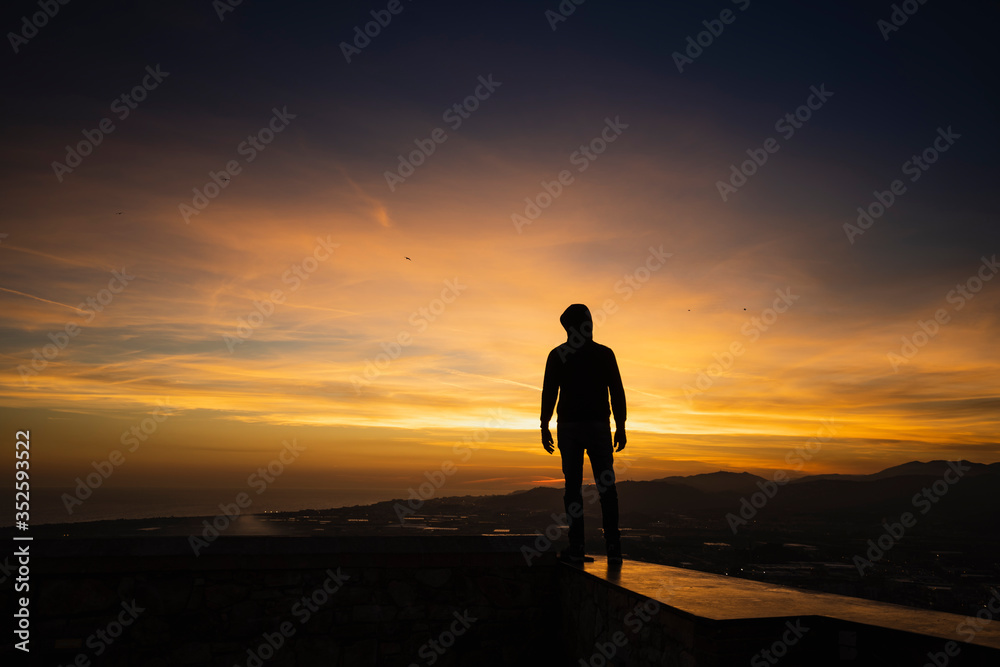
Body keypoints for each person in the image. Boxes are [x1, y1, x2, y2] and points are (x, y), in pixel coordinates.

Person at [540, 304, 626, 564]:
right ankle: (613, 547)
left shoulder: (558, 355)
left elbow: (549, 393)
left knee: (573, 488)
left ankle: (576, 546)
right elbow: (617, 392)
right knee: (606, 488)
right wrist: (620, 425)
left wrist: (544, 425)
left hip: (570, 428)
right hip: (597, 426)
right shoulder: (604, 354)